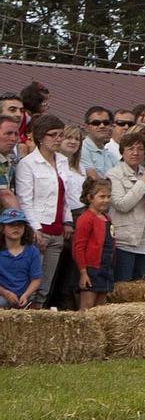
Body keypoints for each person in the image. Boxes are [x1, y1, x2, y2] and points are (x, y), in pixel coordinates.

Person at [15, 114, 68, 307]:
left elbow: (66, 196)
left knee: (46, 285)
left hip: (57, 229)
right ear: (40, 137)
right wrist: (34, 228)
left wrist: (67, 221)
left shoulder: (63, 161)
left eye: (60, 135)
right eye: (52, 135)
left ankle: (40, 316)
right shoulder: (28, 163)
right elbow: (24, 200)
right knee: (32, 284)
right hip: (39, 229)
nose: (58, 139)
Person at [108, 130, 145, 285]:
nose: (135, 153)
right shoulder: (114, 174)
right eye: (130, 149)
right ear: (122, 151)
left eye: (139, 149)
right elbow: (122, 204)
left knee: (140, 285)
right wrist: (144, 182)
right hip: (125, 239)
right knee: (123, 284)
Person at [71, 177, 112, 311]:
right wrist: (83, 273)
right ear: (90, 197)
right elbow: (78, 247)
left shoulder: (106, 218)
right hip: (91, 268)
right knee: (87, 306)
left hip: (105, 266)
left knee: (101, 307)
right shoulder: (86, 218)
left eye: (108, 196)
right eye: (102, 196)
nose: (106, 200)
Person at [0, 206, 42, 309]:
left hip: (26, 297)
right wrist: (6, 293)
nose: (16, 228)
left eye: (20, 225)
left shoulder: (32, 251)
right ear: (2, 229)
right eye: (11, 225)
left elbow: (36, 279)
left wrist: (26, 295)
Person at [78, 108, 122, 185]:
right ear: (86, 127)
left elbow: (122, 178)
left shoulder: (110, 154)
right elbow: (93, 178)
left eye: (106, 123)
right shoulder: (81, 148)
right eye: (96, 123)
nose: (102, 126)